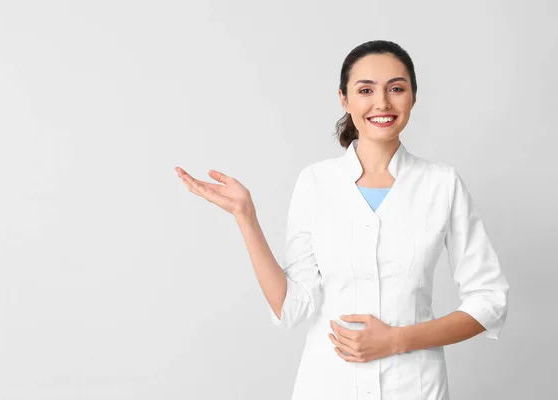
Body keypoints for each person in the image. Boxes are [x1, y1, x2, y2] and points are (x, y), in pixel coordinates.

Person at [174, 40, 509, 400]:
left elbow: (488, 299)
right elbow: (291, 306)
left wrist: (397, 340)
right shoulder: (315, 183)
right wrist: (246, 216)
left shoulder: (441, 184)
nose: (382, 102)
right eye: (366, 90)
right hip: (328, 385)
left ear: (413, 97)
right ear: (344, 99)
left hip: (414, 387)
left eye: (396, 88)